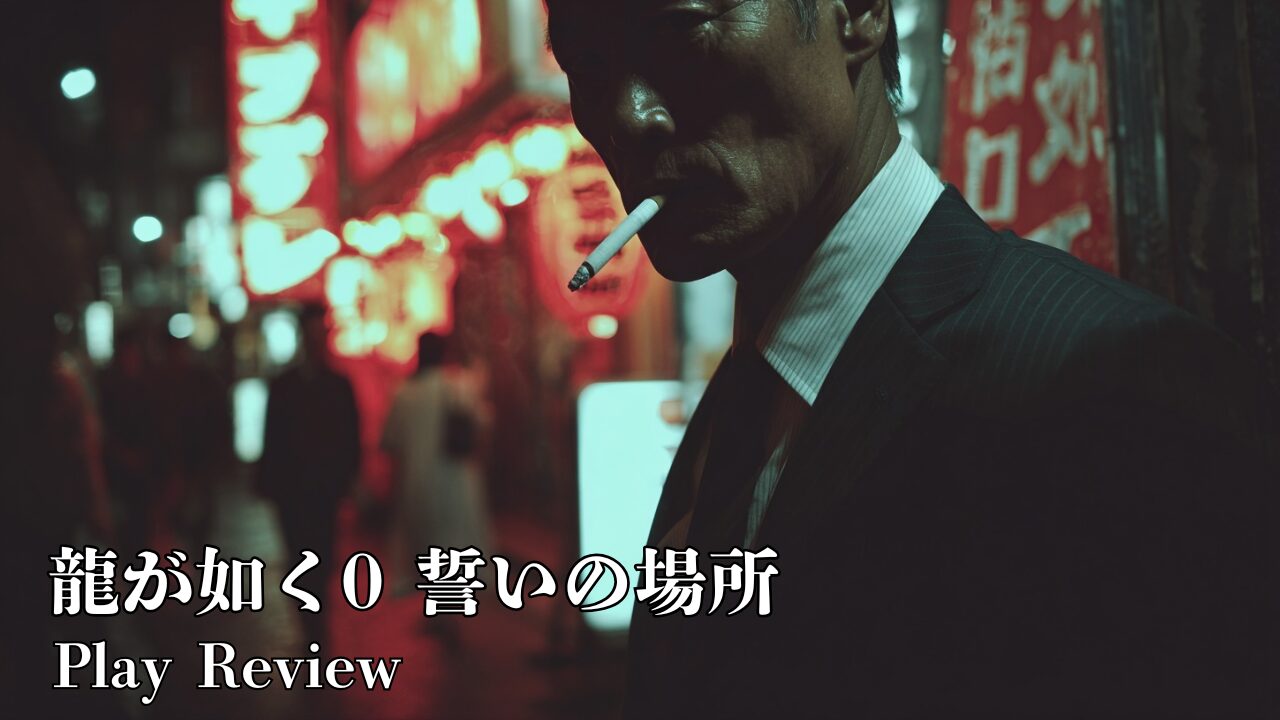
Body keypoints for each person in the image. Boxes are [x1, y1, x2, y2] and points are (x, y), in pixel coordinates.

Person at [545, 1, 1278, 717]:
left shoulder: (1116, 385)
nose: (627, 117)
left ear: (859, 13)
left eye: (679, 29)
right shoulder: (739, 403)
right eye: (587, 63)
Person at [259, 304, 362, 646]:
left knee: (321, 556)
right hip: (292, 489)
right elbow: (272, 437)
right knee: (299, 556)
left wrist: (349, 479)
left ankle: (316, 625)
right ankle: (310, 624)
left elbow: (350, 437)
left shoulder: (337, 385)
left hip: (324, 489)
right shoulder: (285, 386)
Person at [381, 332, 492, 644]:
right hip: (456, 481)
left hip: (418, 482)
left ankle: (441, 613)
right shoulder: (458, 386)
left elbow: (391, 443)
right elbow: (482, 423)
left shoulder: (405, 393)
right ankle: (447, 613)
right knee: (450, 546)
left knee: (429, 545)